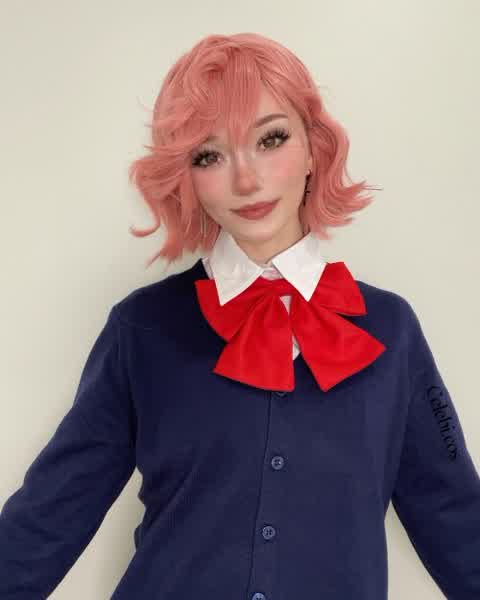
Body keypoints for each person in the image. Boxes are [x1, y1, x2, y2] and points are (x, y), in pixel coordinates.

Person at [1, 32, 479, 599]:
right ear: (186, 176)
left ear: (314, 148)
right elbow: (52, 511)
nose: (246, 180)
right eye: (209, 155)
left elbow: (455, 522)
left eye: (271, 139)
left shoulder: (390, 330)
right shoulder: (142, 328)